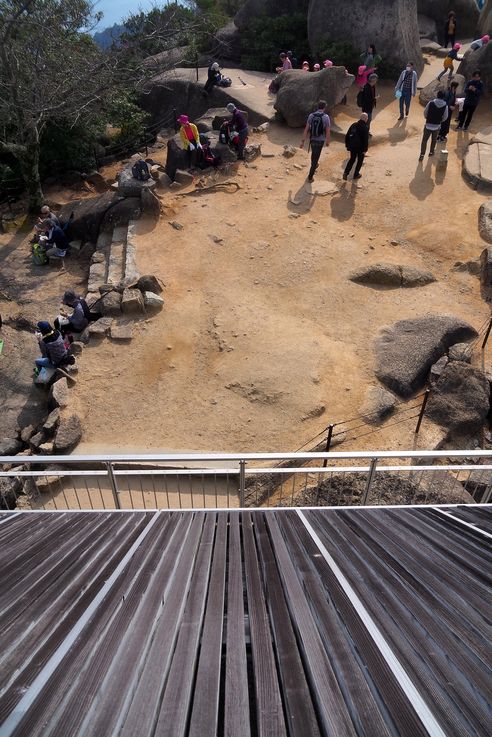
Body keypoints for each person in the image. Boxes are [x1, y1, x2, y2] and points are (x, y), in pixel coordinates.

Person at [299, 100, 331, 182]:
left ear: (317, 107)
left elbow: (306, 129)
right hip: (320, 140)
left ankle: (315, 164)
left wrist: (302, 141)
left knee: (314, 154)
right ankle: (310, 177)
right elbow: (327, 130)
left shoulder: (311, 115)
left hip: (312, 139)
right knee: (316, 157)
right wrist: (327, 141)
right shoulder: (326, 117)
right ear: (324, 107)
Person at [419, 90, 448, 161]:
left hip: (428, 124)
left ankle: (422, 155)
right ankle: (431, 152)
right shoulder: (445, 106)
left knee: (424, 140)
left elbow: (425, 112)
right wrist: (440, 121)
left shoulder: (431, 103)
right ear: (444, 97)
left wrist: (427, 118)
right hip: (437, 126)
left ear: (437, 95)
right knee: (434, 140)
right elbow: (445, 117)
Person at [343, 112, 369, 180]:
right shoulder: (365, 127)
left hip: (353, 146)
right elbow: (365, 140)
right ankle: (356, 174)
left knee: (352, 159)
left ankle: (346, 173)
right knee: (360, 161)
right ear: (366, 119)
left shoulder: (353, 125)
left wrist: (347, 145)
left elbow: (347, 135)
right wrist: (365, 150)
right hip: (360, 148)